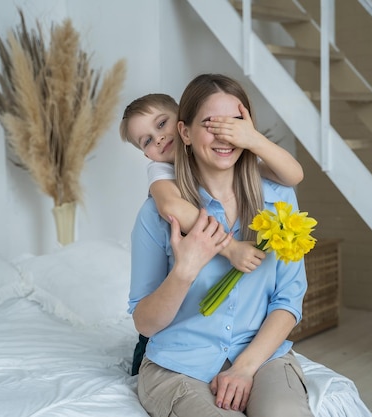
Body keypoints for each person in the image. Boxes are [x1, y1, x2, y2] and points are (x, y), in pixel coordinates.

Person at [128, 74, 312, 416]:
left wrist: (245, 367)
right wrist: (183, 272)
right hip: (179, 364)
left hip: (262, 358)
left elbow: (288, 301)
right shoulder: (158, 210)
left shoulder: (280, 199)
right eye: (213, 124)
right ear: (185, 132)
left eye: (235, 124)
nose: (225, 136)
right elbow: (144, 323)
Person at [119, 93, 303, 274]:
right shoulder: (161, 169)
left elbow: (293, 176)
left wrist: (254, 139)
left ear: (182, 118)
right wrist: (230, 248)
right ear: (147, 155)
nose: (158, 138)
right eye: (148, 141)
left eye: (161, 124)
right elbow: (170, 205)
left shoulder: (224, 154)